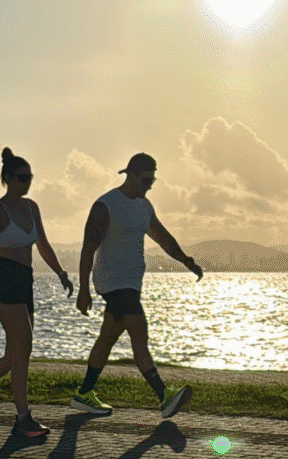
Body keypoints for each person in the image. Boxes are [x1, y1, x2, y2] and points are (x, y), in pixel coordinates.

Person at [70, 153, 203, 418]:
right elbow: (87, 249)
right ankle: (164, 396)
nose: (149, 185)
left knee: (107, 338)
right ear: (130, 175)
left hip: (132, 283)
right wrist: (83, 289)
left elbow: (164, 239)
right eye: (145, 180)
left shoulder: (144, 207)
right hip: (112, 283)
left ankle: (85, 393)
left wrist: (187, 261)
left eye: (152, 180)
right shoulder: (105, 205)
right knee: (139, 334)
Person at [0, 148, 74, 438]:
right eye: (22, 178)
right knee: (24, 344)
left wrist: (60, 273)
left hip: (25, 281)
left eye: (30, 177)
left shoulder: (32, 207)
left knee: (16, 354)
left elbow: (42, 245)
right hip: (3, 278)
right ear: (8, 179)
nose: (27, 182)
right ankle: (23, 419)